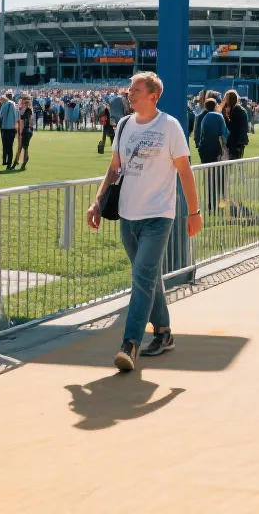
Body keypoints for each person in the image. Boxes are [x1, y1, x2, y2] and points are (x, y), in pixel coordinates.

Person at [86, 72, 203, 371]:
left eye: (136, 90)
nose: (130, 94)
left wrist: (194, 212)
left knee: (141, 278)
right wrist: (98, 202)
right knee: (147, 278)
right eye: (129, 89)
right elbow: (114, 169)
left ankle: (130, 343)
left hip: (158, 216)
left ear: (154, 95)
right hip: (128, 215)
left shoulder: (169, 126)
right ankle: (163, 333)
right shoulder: (124, 125)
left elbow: (185, 172)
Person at [10, 93, 35, 171]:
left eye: (21, 99)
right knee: (22, 147)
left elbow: (24, 123)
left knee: (23, 148)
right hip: (24, 130)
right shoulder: (23, 109)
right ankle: (18, 163)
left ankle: (20, 164)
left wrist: (20, 133)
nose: (20, 101)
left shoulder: (28, 110)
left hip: (25, 131)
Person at [223, 90, 249, 160]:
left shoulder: (225, 111)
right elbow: (246, 128)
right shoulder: (242, 111)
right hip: (238, 142)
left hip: (230, 142)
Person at [0, 91, 18, 168]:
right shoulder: (14, 104)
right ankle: (9, 163)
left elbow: (1, 115)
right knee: (10, 146)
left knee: (5, 145)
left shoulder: (5, 104)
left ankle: (4, 160)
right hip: (13, 127)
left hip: (5, 127)